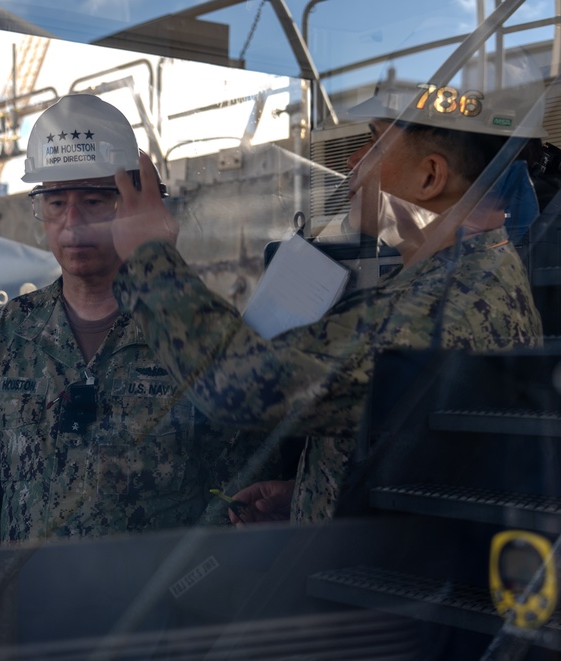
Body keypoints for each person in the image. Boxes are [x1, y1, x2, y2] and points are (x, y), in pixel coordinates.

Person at [109, 65, 546, 525]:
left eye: (376, 143)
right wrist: (314, 496)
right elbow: (423, 452)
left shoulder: (435, 309)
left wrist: (148, 258)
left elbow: (240, 385)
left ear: (430, 178)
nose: (355, 161)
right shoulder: (476, 273)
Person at [0, 95, 262, 546]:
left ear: (133, 205)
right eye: (55, 204)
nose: (73, 226)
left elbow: (239, 492)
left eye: (94, 202)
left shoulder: (192, 329)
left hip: (149, 606)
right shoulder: (11, 332)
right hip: (28, 603)